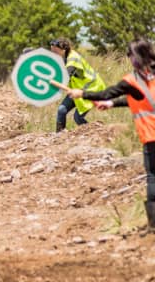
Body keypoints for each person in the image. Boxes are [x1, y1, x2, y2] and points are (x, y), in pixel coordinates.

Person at [66, 38, 155, 236]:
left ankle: (153, 227)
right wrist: (112, 104)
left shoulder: (132, 80)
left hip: (151, 137)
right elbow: (140, 98)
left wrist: (81, 93)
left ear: (135, 57)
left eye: (130, 55)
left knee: (153, 178)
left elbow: (107, 92)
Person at [50, 38, 106, 132]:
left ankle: (96, 133)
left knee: (78, 117)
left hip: (92, 89)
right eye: (52, 50)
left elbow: (63, 80)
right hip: (78, 89)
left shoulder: (73, 60)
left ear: (63, 49)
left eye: (55, 51)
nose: (53, 53)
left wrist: (51, 81)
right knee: (61, 110)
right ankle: (59, 136)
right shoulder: (65, 56)